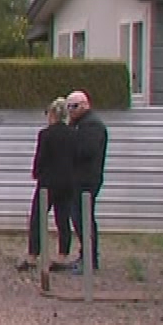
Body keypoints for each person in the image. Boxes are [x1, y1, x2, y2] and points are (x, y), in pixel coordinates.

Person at [18, 98, 77, 272]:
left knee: (38, 217)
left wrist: (36, 172)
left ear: (52, 114)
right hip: (67, 181)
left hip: (48, 182)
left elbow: (41, 157)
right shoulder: (74, 134)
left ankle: (33, 255)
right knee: (63, 218)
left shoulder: (46, 134)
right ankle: (63, 254)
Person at [66, 90, 109, 272]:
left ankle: (90, 259)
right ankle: (86, 255)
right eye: (68, 107)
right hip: (81, 178)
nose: (70, 110)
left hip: (87, 179)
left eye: (74, 106)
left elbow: (86, 151)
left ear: (85, 105)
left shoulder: (92, 126)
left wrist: (71, 141)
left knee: (84, 218)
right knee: (79, 217)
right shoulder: (82, 124)